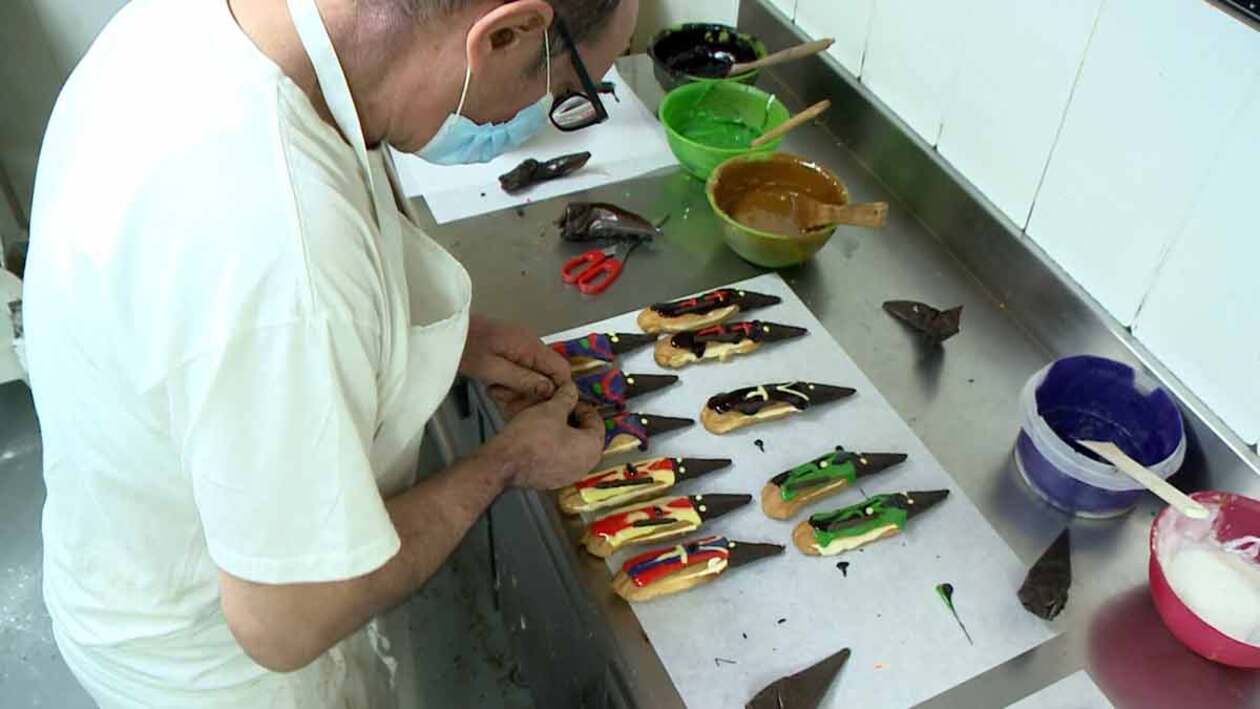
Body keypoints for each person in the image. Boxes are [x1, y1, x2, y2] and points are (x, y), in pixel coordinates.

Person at [22, 0, 638, 705]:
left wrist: (444, 335)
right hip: (220, 665)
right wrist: (505, 462)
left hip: (123, 549)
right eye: (564, 91)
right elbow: (286, 620)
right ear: (504, 34)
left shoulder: (229, 29)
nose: (538, 116)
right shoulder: (276, 237)